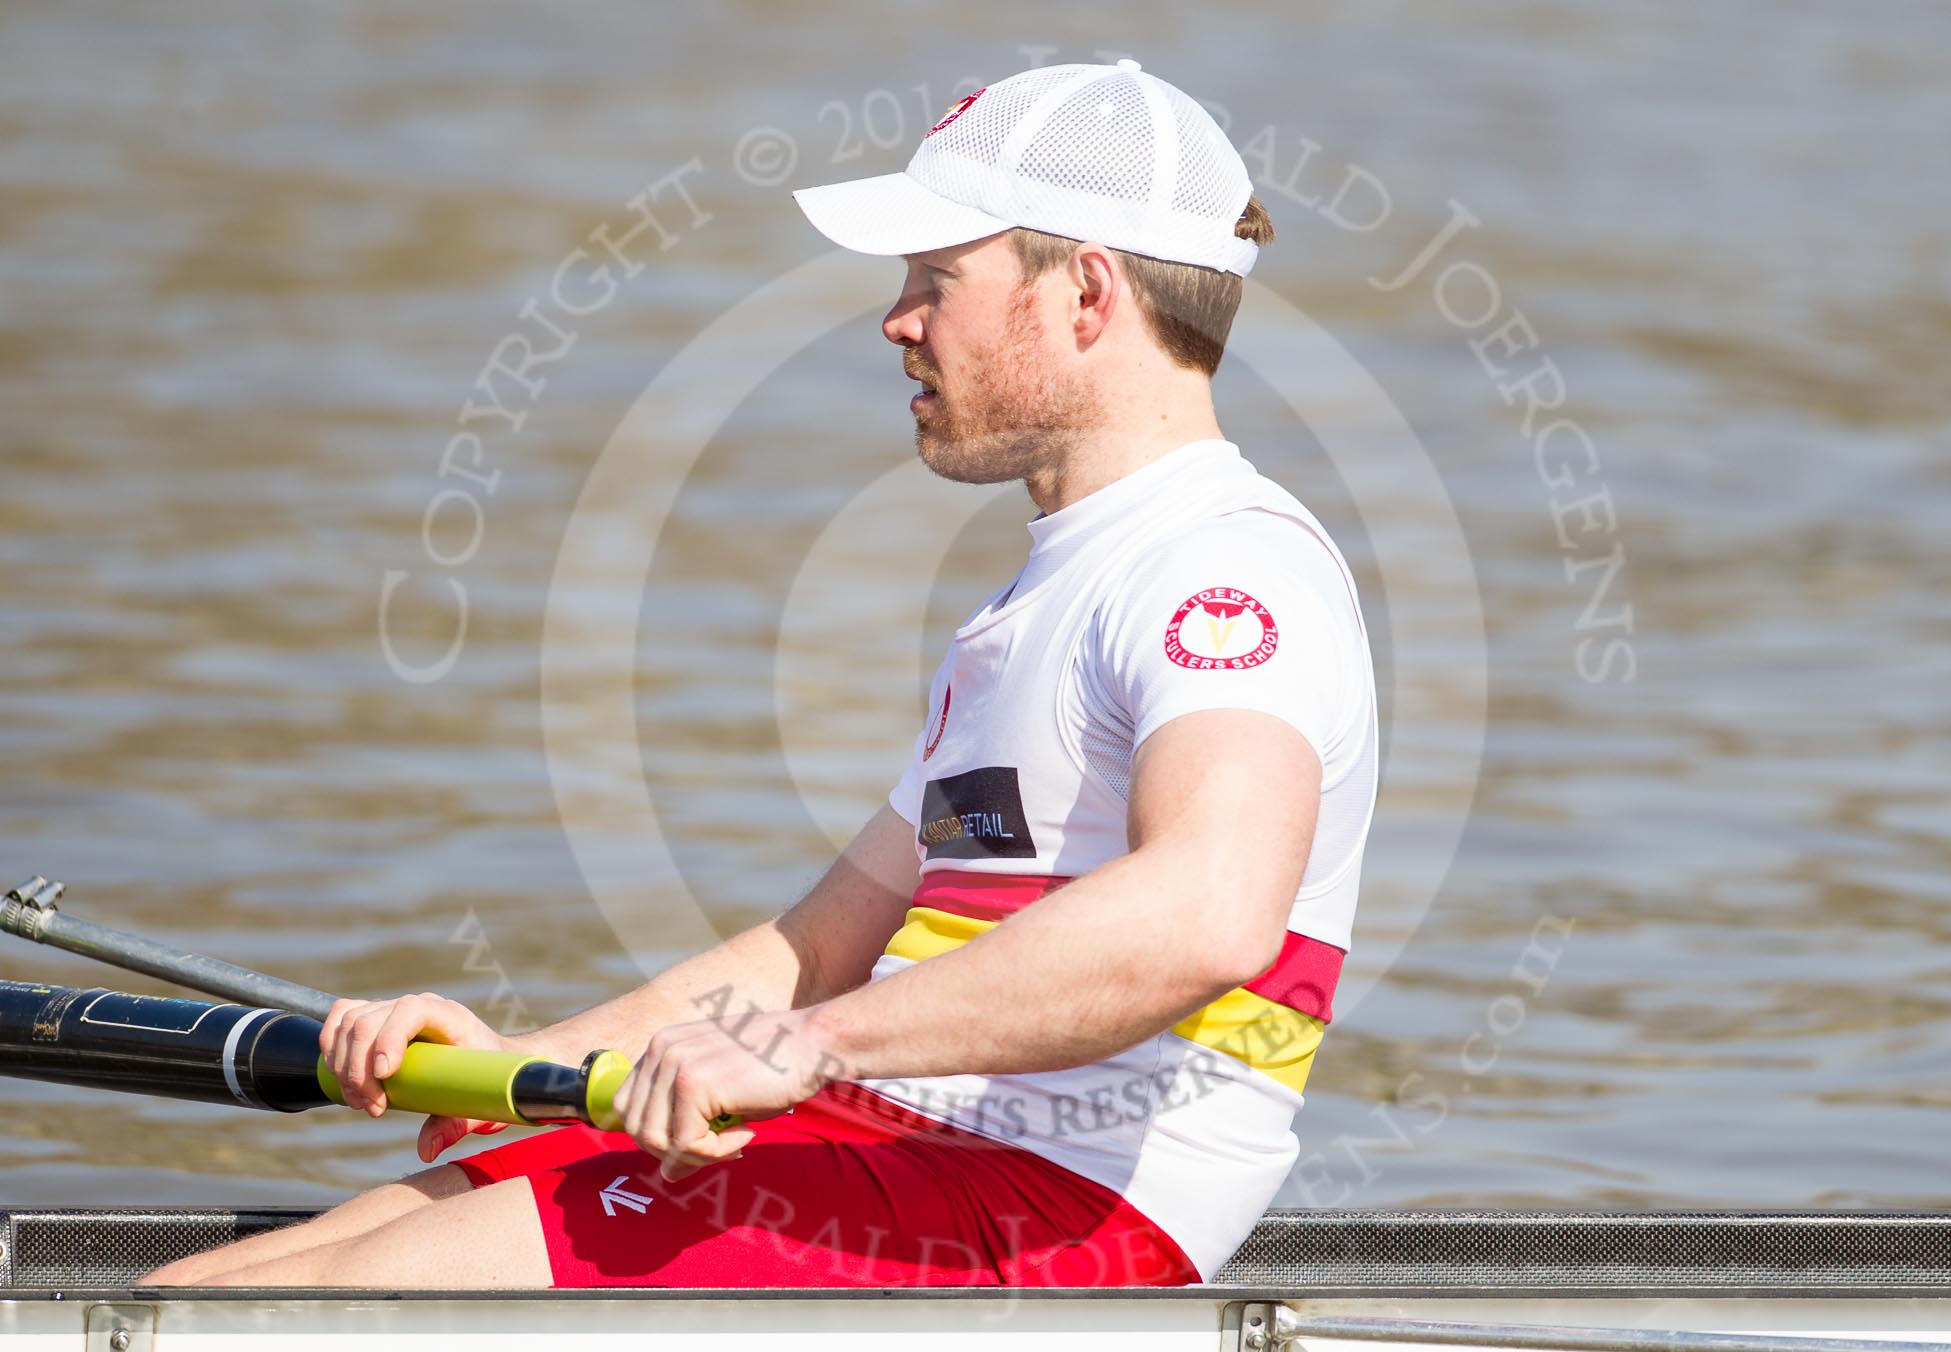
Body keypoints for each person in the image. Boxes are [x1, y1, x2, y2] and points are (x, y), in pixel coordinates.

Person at [145, 58, 1377, 1290]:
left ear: (1088, 294)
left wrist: (810, 1046)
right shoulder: (1031, 604)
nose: (899, 319)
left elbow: (1210, 909)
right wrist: (528, 1058)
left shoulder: (1223, 575)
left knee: (269, 1311)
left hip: (1055, 1201)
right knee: (205, 1289)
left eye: (937, 279)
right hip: (890, 1131)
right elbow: (819, 944)